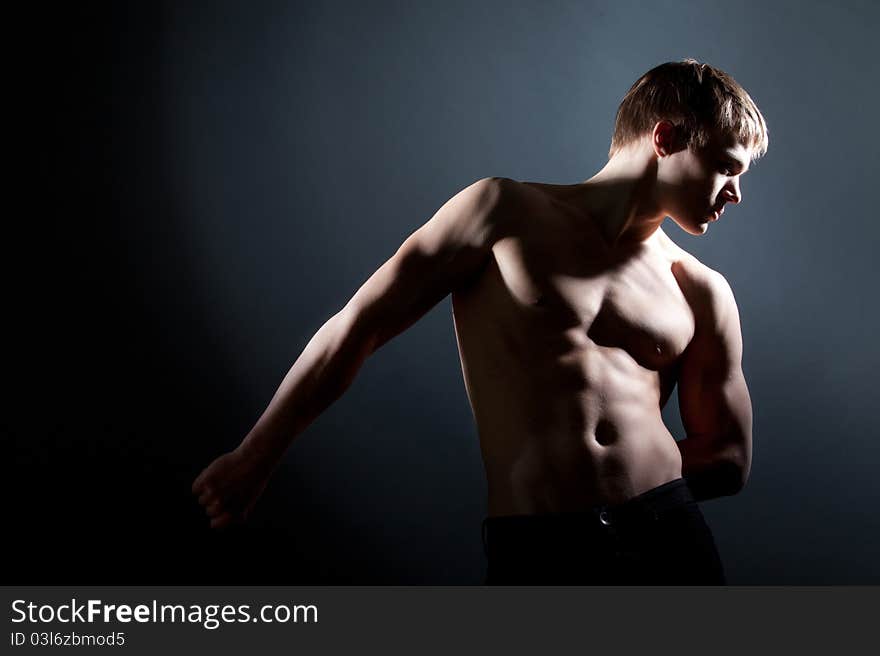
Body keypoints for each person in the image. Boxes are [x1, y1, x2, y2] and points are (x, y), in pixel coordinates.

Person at [192, 58, 768, 585]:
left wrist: (641, 486)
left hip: (666, 538)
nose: (736, 194)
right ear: (665, 137)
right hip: (540, 548)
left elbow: (728, 456)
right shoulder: (503, 212)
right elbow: (358, 325)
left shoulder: (700, 290)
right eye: (724, 167)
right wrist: (256, 454)